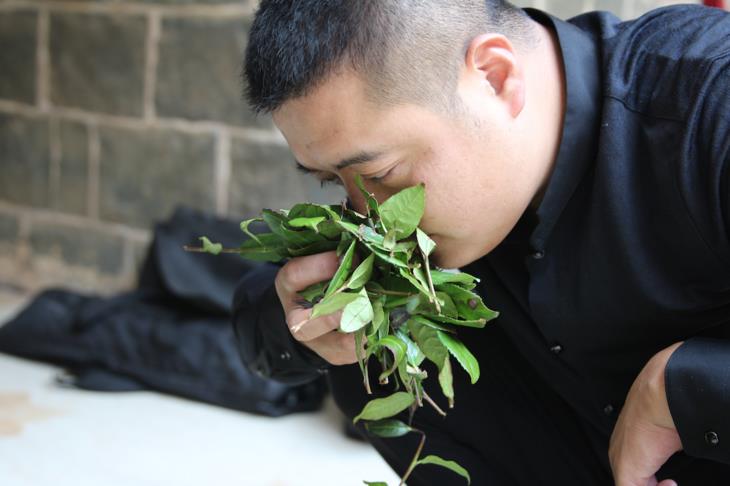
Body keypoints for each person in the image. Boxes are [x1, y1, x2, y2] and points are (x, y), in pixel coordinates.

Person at [232, 1, 730, 484]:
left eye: (380, 174)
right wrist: (302, 325)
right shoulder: (400, 220)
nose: (370, 222)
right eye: (330, 181)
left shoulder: (709, 106)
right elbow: (259, 317)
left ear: (495, 77)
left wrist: (686, 388)